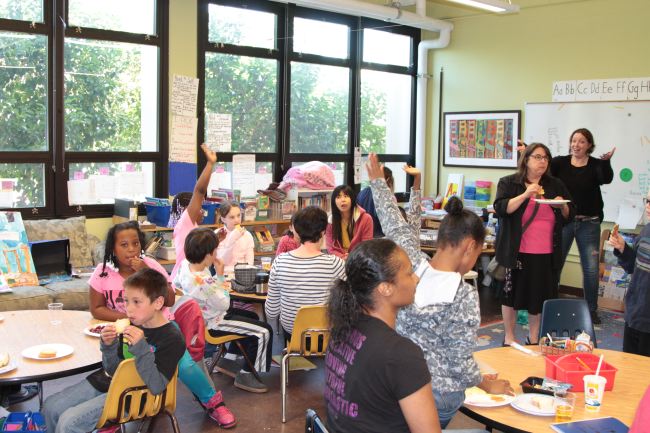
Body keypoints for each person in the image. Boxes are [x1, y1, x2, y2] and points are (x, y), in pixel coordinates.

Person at [367, 153, 513, 428]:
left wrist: (377, 183)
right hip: (439, 396)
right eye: (477, 253)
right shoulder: (463, 295)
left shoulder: (411, 266)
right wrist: (486, 384)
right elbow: (459, 362)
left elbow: (394, 224)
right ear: (469, 247)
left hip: (399, 385)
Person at [325, 239, 489, 433]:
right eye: (410, 273)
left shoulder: (342, 328)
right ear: (386, 288)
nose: (416, 279)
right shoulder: (401, 354)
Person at [88, 221, 236, 427]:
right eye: (124, 245)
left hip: (160, 328)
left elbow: (170, 299)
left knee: (185, 364)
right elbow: (96, 308)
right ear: (112, 248)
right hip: (124, 330)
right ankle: (117, 410)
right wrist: (128, 319)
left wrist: (147, 272)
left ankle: (213, 403)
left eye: (135, 244)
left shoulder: (150, 264)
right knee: (118, 364)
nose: (131, 249)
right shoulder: (103, 272)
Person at [44, 269, 185, 433]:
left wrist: (141, 348)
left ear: (158, 303)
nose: (128, 309)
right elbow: (112, 369)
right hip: (110, 382)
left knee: (69, 422)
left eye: (137, 302)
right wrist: (109, 346)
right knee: (51, 406)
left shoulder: (172, 339)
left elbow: (156, 386)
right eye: (126, 301)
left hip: (137, 395)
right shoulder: (131, 325)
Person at [174, 227, 273, 393]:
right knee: (264, 331)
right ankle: (247, 374)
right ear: (207, 255)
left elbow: (179, 285)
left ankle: (229, 358)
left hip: (208, 316)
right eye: (215, 250)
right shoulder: (203, 281)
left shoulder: (186, 265)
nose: (216, 253)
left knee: (251, 316)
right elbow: (225, 303)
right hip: (215, 323)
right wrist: (220, 277)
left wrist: (214, 239)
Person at [494, 143, 575, 346]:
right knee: (510, 296)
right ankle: (509, 337)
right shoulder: (509, 182)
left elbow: (570, 214)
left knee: (539, 298)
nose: (543, 161)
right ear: (526, 159)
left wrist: (562, 206)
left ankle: (534, 336)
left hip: (546, 252)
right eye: (538, 157)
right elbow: (501, 208)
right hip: (516, 252)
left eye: (546, 157)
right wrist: (525, 194)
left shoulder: (555, 184)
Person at [551, 128, 615, 324]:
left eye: (581, 141)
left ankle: (591, 310)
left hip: (589, 223)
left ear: (589, 145)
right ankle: (549, 305)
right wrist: (528, 151)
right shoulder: (559, 163)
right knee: (555, 265)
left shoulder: (596, 165)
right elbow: (542, 168)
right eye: (573, 140)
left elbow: (606, 179)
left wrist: (606, 162)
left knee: (591, 269)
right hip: (565, 222)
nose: (576, 145)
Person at [266, 206, 345, 342]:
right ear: (323, 231)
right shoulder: (335, 264)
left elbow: (271, 312)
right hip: (325, 336)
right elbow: (350, 301)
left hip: (293, 336)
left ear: (296, 230)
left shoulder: (280, 262)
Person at [608, 190, 650, 357]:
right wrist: (623, 248)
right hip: (635, 311)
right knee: (629, 360)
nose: (648, 206)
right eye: (647, 201)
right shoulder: (646, 231)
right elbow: (634, 267)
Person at [169, 143, 218, 282]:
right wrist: (210, 164)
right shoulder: (185, 223)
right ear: (186, 209)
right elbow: (199, 191)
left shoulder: (191, 227)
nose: (202, 211)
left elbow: (199, 250)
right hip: (185, 282)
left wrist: (216, 239)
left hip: (191, 280)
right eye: (200, 207)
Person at [325, 185, 373, 259]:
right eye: (338, 197)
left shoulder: (366, 219)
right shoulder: (331, 221)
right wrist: (342, 257)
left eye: (346, 196)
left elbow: (366, 246)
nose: (343, 200)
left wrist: (351, 257)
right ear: (334, 202)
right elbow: (330, 248)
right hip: (339, 260)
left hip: (359, 259)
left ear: (352, 199)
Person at [215, 201, 255, 272]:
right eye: (232, 217)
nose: (237, 220)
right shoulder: (217, 234)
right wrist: (232, 240)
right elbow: (222, 263)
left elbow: (250, 264)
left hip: (242, 274)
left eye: (239, 215)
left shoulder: (247, 235)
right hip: (222, 274)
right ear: (223, 219)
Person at [356, 165, 394, 237]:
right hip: (379, 236)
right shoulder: (384, 196)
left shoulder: (362, 192)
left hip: (363, 233)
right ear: (387, 180)